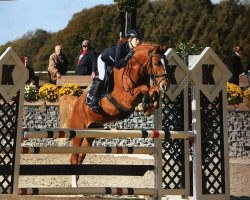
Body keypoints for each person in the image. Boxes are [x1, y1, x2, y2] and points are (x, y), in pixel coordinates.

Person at [89, 29, 143, 112]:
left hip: (113, 62)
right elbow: (117, 65)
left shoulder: (133, 50)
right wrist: (127, 57)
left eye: (139, 39)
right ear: (129, 39)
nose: (138, 42)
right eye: (136, 39)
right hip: (104, 59)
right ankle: (93, 101)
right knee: (103, 76)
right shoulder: (121, 47)